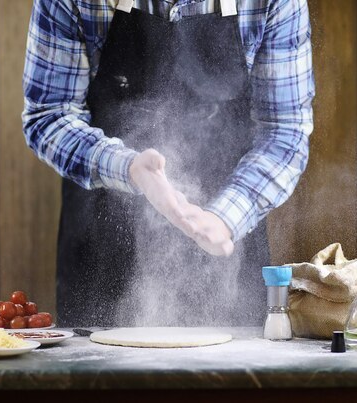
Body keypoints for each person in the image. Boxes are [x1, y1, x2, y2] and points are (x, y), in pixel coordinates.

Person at [22, 0, 314, 327]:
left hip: (224, 241)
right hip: (101, 246)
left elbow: (284, 130)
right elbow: (49, 115)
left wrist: (224, 218)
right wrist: (128, 168)